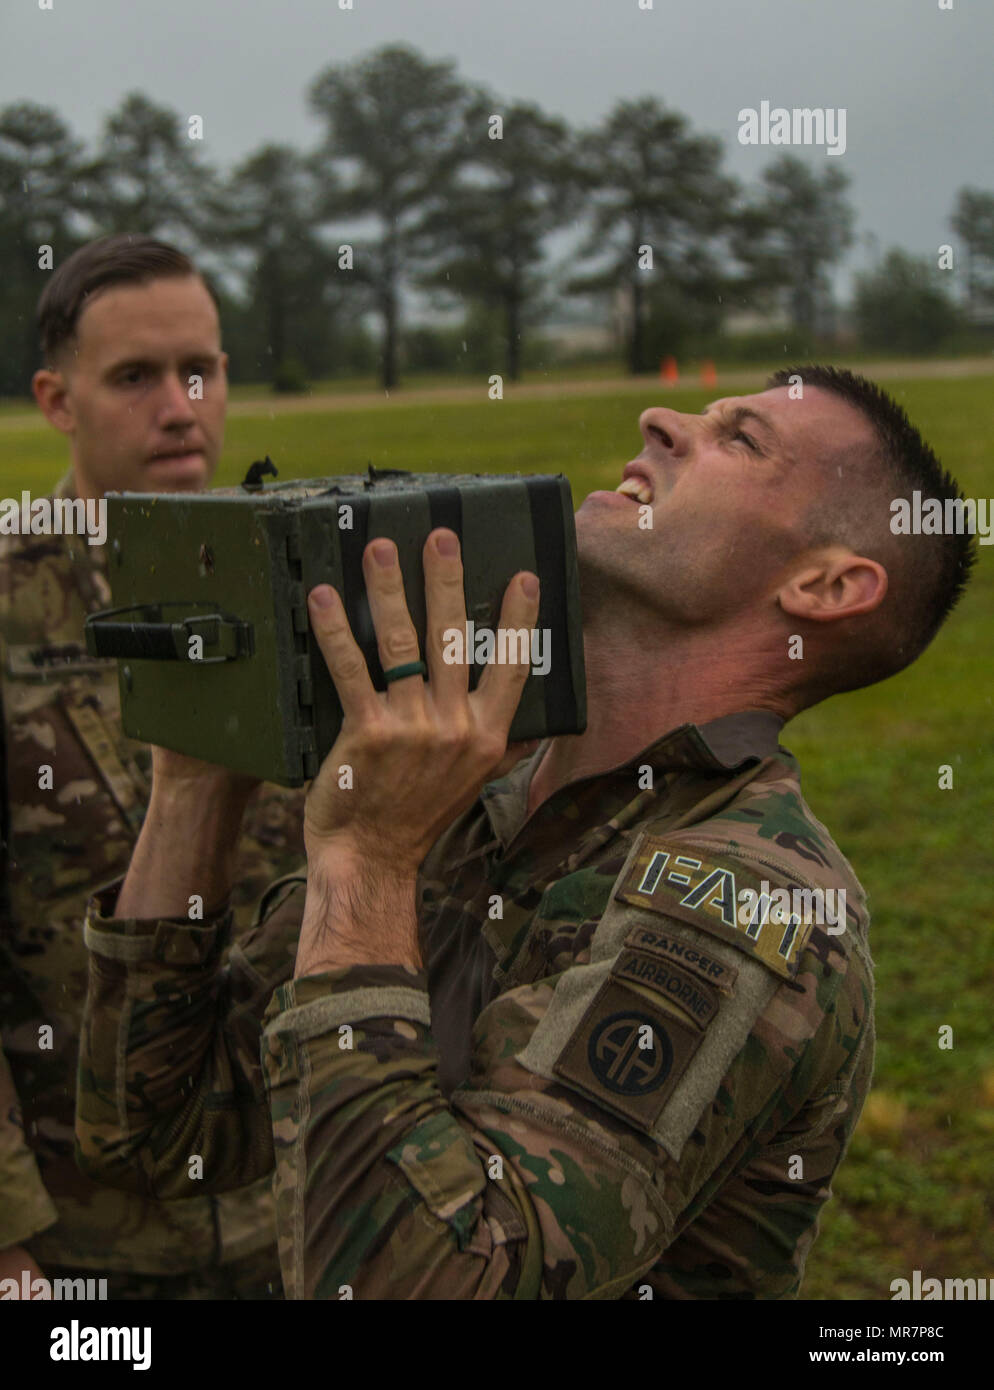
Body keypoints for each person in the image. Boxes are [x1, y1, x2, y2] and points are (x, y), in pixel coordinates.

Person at [75, 366, 975, 1298]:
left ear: (827, 587)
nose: (659, 419)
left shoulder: (747, 900)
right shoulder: (475, 785)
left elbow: (417, 1285)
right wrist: (191, 789)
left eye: (739, 440)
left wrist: (370, 864)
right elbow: (155, 1132)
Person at [0, 234, 306, 1299]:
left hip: (297, 1209)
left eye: (201, 370)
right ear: (56, 398)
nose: (180, 405)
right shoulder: (7, 601)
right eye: (134, 376)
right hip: (86, 1243)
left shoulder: (296, 581)